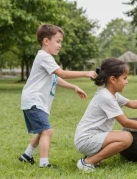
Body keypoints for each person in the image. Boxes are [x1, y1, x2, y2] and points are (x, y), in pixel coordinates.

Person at [74, 58, 137, 172]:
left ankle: (92, 158)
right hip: (86, 140)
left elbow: (132, 103)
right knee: (126, 137)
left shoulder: (111, 94)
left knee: (123, 135)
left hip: (91, 136)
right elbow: (126, 122)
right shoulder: (106, 97)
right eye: (124, 78)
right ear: (113, 79)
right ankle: (88, 162)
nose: (127, 82)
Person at [19, 24, 97, 168]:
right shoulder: (44, 57)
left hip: (34, 101)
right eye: (58, 41)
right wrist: (85, 73)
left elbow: (56, 78)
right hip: (34, 101)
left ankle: (26, 156)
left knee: (42, 131)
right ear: (46, 41)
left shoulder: (45, 58)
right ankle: (44, 164)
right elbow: (62, 73)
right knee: (47, 131)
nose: (60, 45)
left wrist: (73, 87)